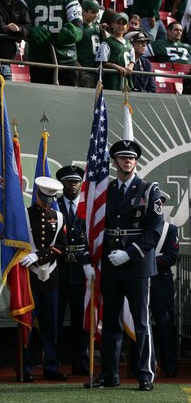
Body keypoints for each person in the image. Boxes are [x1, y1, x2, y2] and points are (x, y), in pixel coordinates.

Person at [84, 140, 164, 391]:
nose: (127, 162)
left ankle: (145, 375)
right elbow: (96, 226)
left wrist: (129, 254)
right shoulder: (106, 191)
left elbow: (154, 231)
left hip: (137, 265)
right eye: (122, 158)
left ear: (136, 162)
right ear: (115, 162)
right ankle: (109, 374)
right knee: (110, 323)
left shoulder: (149, 190)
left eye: (131, 158)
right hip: (111, 264)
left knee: (141, 322)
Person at [19, 176, 68, 382]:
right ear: (37, 194)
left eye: (51, 199)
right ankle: (24, 369)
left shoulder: (59, 217)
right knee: (26, 323)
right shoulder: (24, 215)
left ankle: (51, 366)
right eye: (44, 197)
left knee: (50, 325)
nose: (47, 202)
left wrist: (39, 255)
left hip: (50, 275)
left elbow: (62, 246)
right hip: (28, 275)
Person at [22, 0, 83, 86]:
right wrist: (30, 29)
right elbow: (18, 19)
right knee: (40, 95)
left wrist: (75, 33)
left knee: (69, 94)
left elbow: (78, 24)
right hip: (39, 55)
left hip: (66, 55)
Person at [55, 166, 89, 376]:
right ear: (63, 185)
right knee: (55, 320)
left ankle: (81, 363)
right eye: (69, 182)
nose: (73, 185)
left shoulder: (89, 205)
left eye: (76, 181)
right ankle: (53, 363)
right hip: (57, 270)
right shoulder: (54, 205)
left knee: (80, 321)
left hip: (81, 271)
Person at [150, 190, 179, 378]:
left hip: (161, 284)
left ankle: (169, 365)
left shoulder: (170, 229)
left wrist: (145, 262)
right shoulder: (138, 227)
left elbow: (170, 257)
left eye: (159, 203)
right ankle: (141, 364)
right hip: (139, 283)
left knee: (165, 325)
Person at [96, 12, 135, 90]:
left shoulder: (129, 44)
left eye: (123, 24)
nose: (120, 26)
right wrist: (117, 67)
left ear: (127, 27)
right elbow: (102, 62)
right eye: (118, 23)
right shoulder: (107, 42)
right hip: (112, 80)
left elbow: (132, 60)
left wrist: (130, 66)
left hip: (125, 79)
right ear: (112, 24)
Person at [77, 0, 104, 88]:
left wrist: (103, 31)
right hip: (85, 69)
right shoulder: (79, 28)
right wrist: (80, 68)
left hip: (97, 69)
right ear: (83, 12)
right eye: (93, 12)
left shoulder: (98, 26)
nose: (96, 15)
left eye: (97, 12)